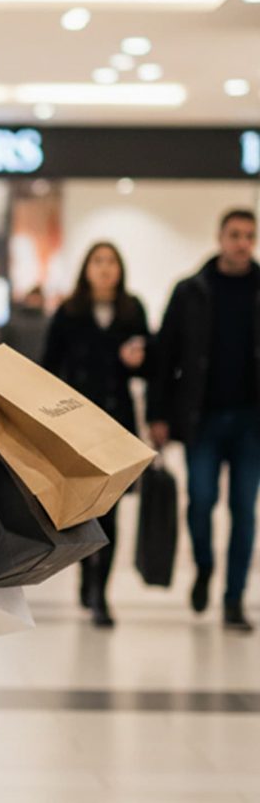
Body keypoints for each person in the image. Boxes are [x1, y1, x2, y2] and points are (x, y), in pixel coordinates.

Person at [148, 208, 260, 632]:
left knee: (244, 512)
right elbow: (164, 356)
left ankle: (233, 600)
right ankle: (205, 567)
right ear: (220, 237)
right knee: (200, 501)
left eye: (249, 235)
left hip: (251, 422)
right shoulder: (192, 290)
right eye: (235, 234)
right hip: (203, 420)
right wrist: (158, 414)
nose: (242, 242)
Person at [43, 242, 149, 628]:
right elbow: (49, 367)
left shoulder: (132, 309)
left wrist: (140, 359)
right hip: (77, 425)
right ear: (86, 268)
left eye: (111, 263)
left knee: (114, 512)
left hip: (117, 422)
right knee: (85, 510)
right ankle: (86, 578)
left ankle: (101, 593)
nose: (105, 269)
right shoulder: (69, 312)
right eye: (98, 261)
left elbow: (147, 362)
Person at [0, 285, 49, 361]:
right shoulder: (48, 324)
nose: (34, 301)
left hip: (16, 364)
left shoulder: (14, 321)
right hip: (36, 367)